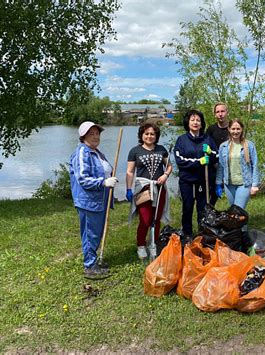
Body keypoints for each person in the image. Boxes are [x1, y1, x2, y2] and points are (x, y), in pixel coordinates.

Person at [69, 121, 118, 279]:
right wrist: (103, 182)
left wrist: (110, 178)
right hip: (89, 201)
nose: (96, 136)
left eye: (97, 133)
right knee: (90, 233)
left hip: (100, 199)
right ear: (83, 136)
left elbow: (104, 170)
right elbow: (83, 178)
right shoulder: (82, 153)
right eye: (92, 134)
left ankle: (94, 260)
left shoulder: (96, 152)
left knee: (96, 232)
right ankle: (89, 266)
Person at [126, 123, 172, 260]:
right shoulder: (135, 151)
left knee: (156, 219)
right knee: (145, 220)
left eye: (152, 134)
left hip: (159, 188)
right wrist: (129, 189)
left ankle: (153, 244)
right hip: (143, 188)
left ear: (156, 136)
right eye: (146, 133)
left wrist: (165, 175)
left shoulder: (161, 149)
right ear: (141, 135)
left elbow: (169, 166)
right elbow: (129, 171)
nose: (149, 136)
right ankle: (141, 245)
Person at [174, 109, 218, 238]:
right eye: (192, 120)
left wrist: (210, 153)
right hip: (187, 181)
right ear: (188, 122)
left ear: (201, 123)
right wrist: (199, 162)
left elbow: (217, 156)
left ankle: (202, 233)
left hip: (203, 181)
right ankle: (187, 233)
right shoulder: (181, 140)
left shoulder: (207, 139)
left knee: (202, 208)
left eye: (198, 120)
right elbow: (180, 161)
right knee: (187, 208)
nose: (195, 122)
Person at [215, 119, 259, 210]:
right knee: (234, 212)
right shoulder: (223, 146)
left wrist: (254, 185)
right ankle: (243, 225)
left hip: (244, 184)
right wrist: (218, 183)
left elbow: (255, 165)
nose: (235, 131)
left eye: (238, 129)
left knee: (238, 211)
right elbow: (221, 166)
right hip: (229, 185)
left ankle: (243, 225)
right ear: (229, 129)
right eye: (233, 129)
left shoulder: (249, 145)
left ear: (242, 129)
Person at [206, 102, 230, 205]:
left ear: (227, 112)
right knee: (211, 195)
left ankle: (234, 216)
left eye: (222, 111)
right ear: (215, 114)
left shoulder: (233, 128)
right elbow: (207, 148)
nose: (220, 114)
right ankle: (209, 214)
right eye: (218, 112)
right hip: (213, 167)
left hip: (229, 167)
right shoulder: (211, 130)